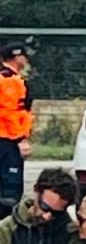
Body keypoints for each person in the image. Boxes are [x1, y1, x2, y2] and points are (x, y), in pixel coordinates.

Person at [0, 39, 34, 208]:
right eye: (24, 56)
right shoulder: (10, 81)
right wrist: (20, 139)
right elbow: (9, 112)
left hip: (6, 138)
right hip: (7, 140)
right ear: (16, 58)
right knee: (10, 188)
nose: (27, 59)